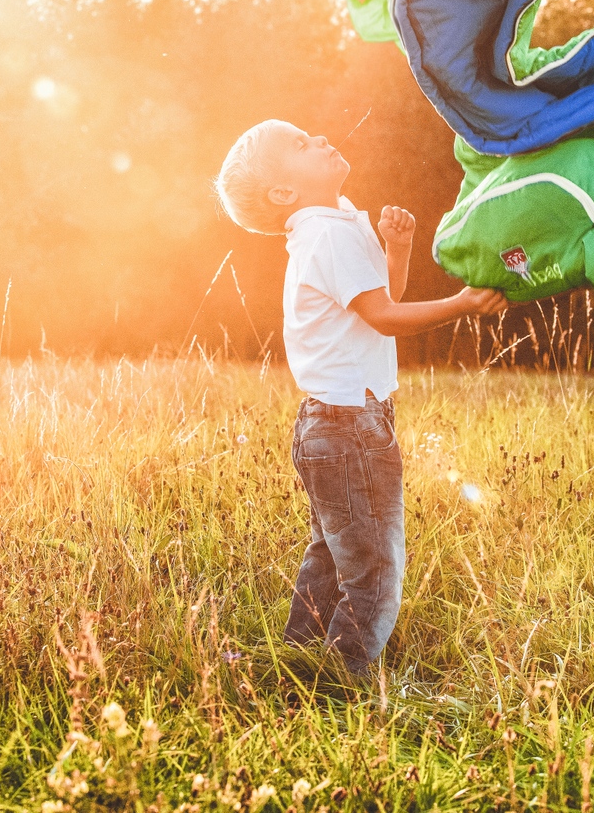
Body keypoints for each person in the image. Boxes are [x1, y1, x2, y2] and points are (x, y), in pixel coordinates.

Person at [215, 118, 507, 676]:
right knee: (375, 571)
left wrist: (398, 250)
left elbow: (377, 303)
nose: (322, 138)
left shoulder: (338, 222)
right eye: (302, 143)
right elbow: (385, 317)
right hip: (349, 427)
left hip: (336, 422)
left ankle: (299, 664)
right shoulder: (326, 233)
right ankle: (339, 683)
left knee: (331, 556)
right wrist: (461, 304)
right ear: (283, 193)